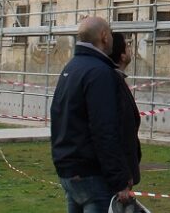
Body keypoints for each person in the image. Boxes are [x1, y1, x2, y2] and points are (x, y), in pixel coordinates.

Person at [51, 16, 135, 213]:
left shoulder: (71, 68)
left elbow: (57, 116)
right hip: (91, 173)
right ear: (104, 36)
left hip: (69, 169)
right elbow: (104, 129)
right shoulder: (100, 73)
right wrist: (119, 178)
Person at [110, 32, 142, 196]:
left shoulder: (117, 80)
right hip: (117, 175)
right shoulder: (112, 82)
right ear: (122, 55)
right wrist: (122, 174)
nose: (131, 49)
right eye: (128, 45)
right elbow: (117, 131)